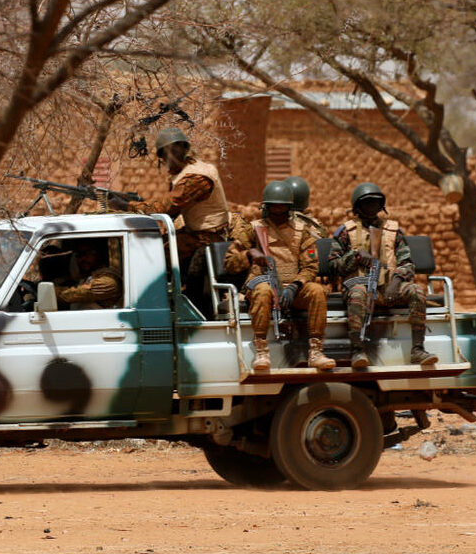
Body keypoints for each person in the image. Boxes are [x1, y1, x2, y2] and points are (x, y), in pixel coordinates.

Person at [225, 181, 333, 374]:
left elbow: (310, 266)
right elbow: (230, 262)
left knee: (317, 291)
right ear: (266, 207)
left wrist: (295, 285)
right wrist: (249, 255)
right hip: (263, 284)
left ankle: (316, 351)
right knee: (262, 290)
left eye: (282, 206)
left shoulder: (302, 231)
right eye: (273, 206)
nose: (277, 210)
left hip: (293, 286)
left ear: (289, 207)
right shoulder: (252, 229)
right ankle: (261, 350)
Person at [329, 182, 437, 369]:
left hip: (388, 287)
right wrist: (354, 257)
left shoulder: (393, 231)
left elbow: (407, 263)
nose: (371, 207)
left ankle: (418, 349)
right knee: (357, 294)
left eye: (375, 203)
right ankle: (357, 351)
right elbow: (333, 265)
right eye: (367, 203)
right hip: (359, 285)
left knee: (417, 292)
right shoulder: (346, 231)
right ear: (358, 207)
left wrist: (396, 282)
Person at [111, 127, 230, 267]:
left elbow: (167, 207)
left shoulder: (197, 176)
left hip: (207, 238)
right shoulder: (182, 174)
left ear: (185, 149)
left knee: (151, 255)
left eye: (174, 150)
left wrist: (125, 206)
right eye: (167, 153)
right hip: (195, 234)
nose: (171, 156)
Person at [54, 239, 122, 310]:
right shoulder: (88, 277)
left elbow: (73, 294)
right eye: (79, 255)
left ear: (99, 254)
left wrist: (48, 292)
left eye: (87, 253)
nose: (82, 259)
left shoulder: (108, 281)